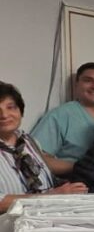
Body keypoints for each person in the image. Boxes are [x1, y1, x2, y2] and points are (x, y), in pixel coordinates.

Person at [0, 82, 88, 212]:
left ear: (20, 111)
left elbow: (48, 180)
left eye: (11, 107)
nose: (4, 115)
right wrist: (50, 197)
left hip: (44, 215)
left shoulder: (28, 141)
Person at [31, 62, 94, 173]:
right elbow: (36, 158)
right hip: (73, 179)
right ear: (77, 85)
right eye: (88, 80)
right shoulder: (60, 115)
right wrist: (80, 168)